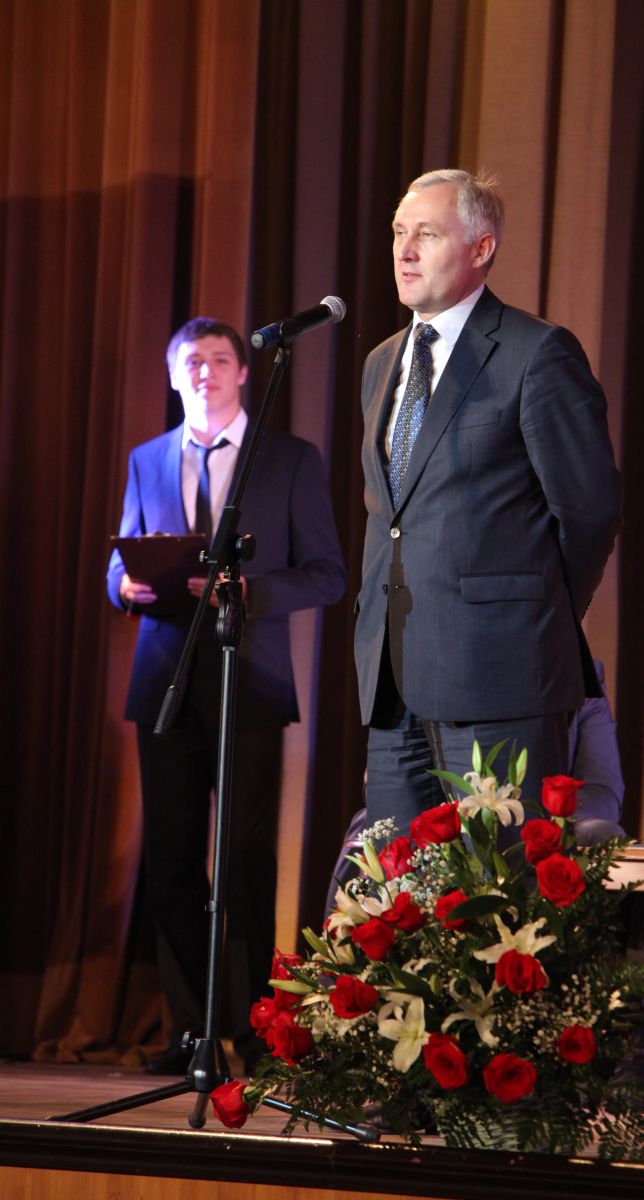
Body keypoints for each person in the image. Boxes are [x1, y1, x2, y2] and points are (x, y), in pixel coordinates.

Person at [107, 316, 346, 1075]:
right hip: (166, 683)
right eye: (191, 362)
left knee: (244, 860)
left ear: (244, 373)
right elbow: (119, 561)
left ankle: (254, 1030)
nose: (204, 372)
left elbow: (328, 573)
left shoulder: (290, 459)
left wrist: (252, 592)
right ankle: (191, 1033)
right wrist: (123, 587)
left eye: (218, 359)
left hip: (251, 682)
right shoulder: (148, 458)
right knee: (173, 859)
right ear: (173, 377)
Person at [354, 168, 621, 836]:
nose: (404, 250)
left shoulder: (536, 353)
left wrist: (535, 609)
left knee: (500, 885)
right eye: (398, 232)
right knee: (400, 887)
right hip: (392, 678)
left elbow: (588, 513)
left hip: (502, 671)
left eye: (427, 234)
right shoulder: (382, 363)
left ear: (481, 248)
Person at [325, 659, 626, 916]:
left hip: (522, 816)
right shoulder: (417, 665)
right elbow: (376, 783)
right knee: (373, 827)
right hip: (439, 821)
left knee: (599, 833)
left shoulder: (576, 673)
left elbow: (603, 789)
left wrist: (545, 814)